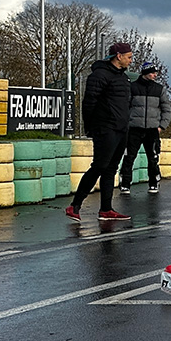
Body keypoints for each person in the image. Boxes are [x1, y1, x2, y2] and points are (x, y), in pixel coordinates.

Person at [66, 43, 135, 222]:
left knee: (111, 168)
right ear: (118, 56)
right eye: (128, 56)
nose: (131, 60)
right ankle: (75, 206)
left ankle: (106, 209)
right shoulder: (99, 75)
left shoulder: (124, 78)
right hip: (105, 128)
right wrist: (91, 127)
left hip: (121, 129)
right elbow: (89, 103)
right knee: (99, 165)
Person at [118, 64, 171, 195]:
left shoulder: (159, 89)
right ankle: (125, 184)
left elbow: (166, 109)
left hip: (152, 129)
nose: (155, 75)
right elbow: (125, 107)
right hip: (134, 128)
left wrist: (161, 126)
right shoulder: (133, 87)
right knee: (129, 157)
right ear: (146, 73)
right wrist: (126, 124)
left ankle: (154, 183)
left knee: (153, 157)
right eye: (153, 73)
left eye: (155, 73)